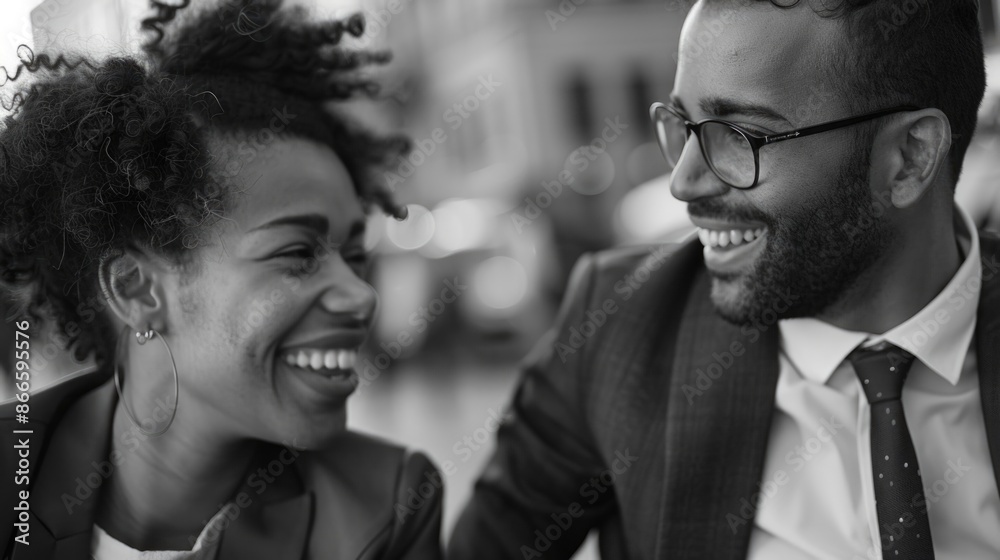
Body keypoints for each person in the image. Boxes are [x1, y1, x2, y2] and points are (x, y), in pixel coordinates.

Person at [449, 0, 1000, 558]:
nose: (684, 183)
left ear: (910, 156)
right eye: (684, 126)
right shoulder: (620, 328)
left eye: (740, 136)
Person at [0, 1, 442, 558]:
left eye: (354, 255)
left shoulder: (384, 510)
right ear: (138, 290)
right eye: (298, 253)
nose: (362, 295)